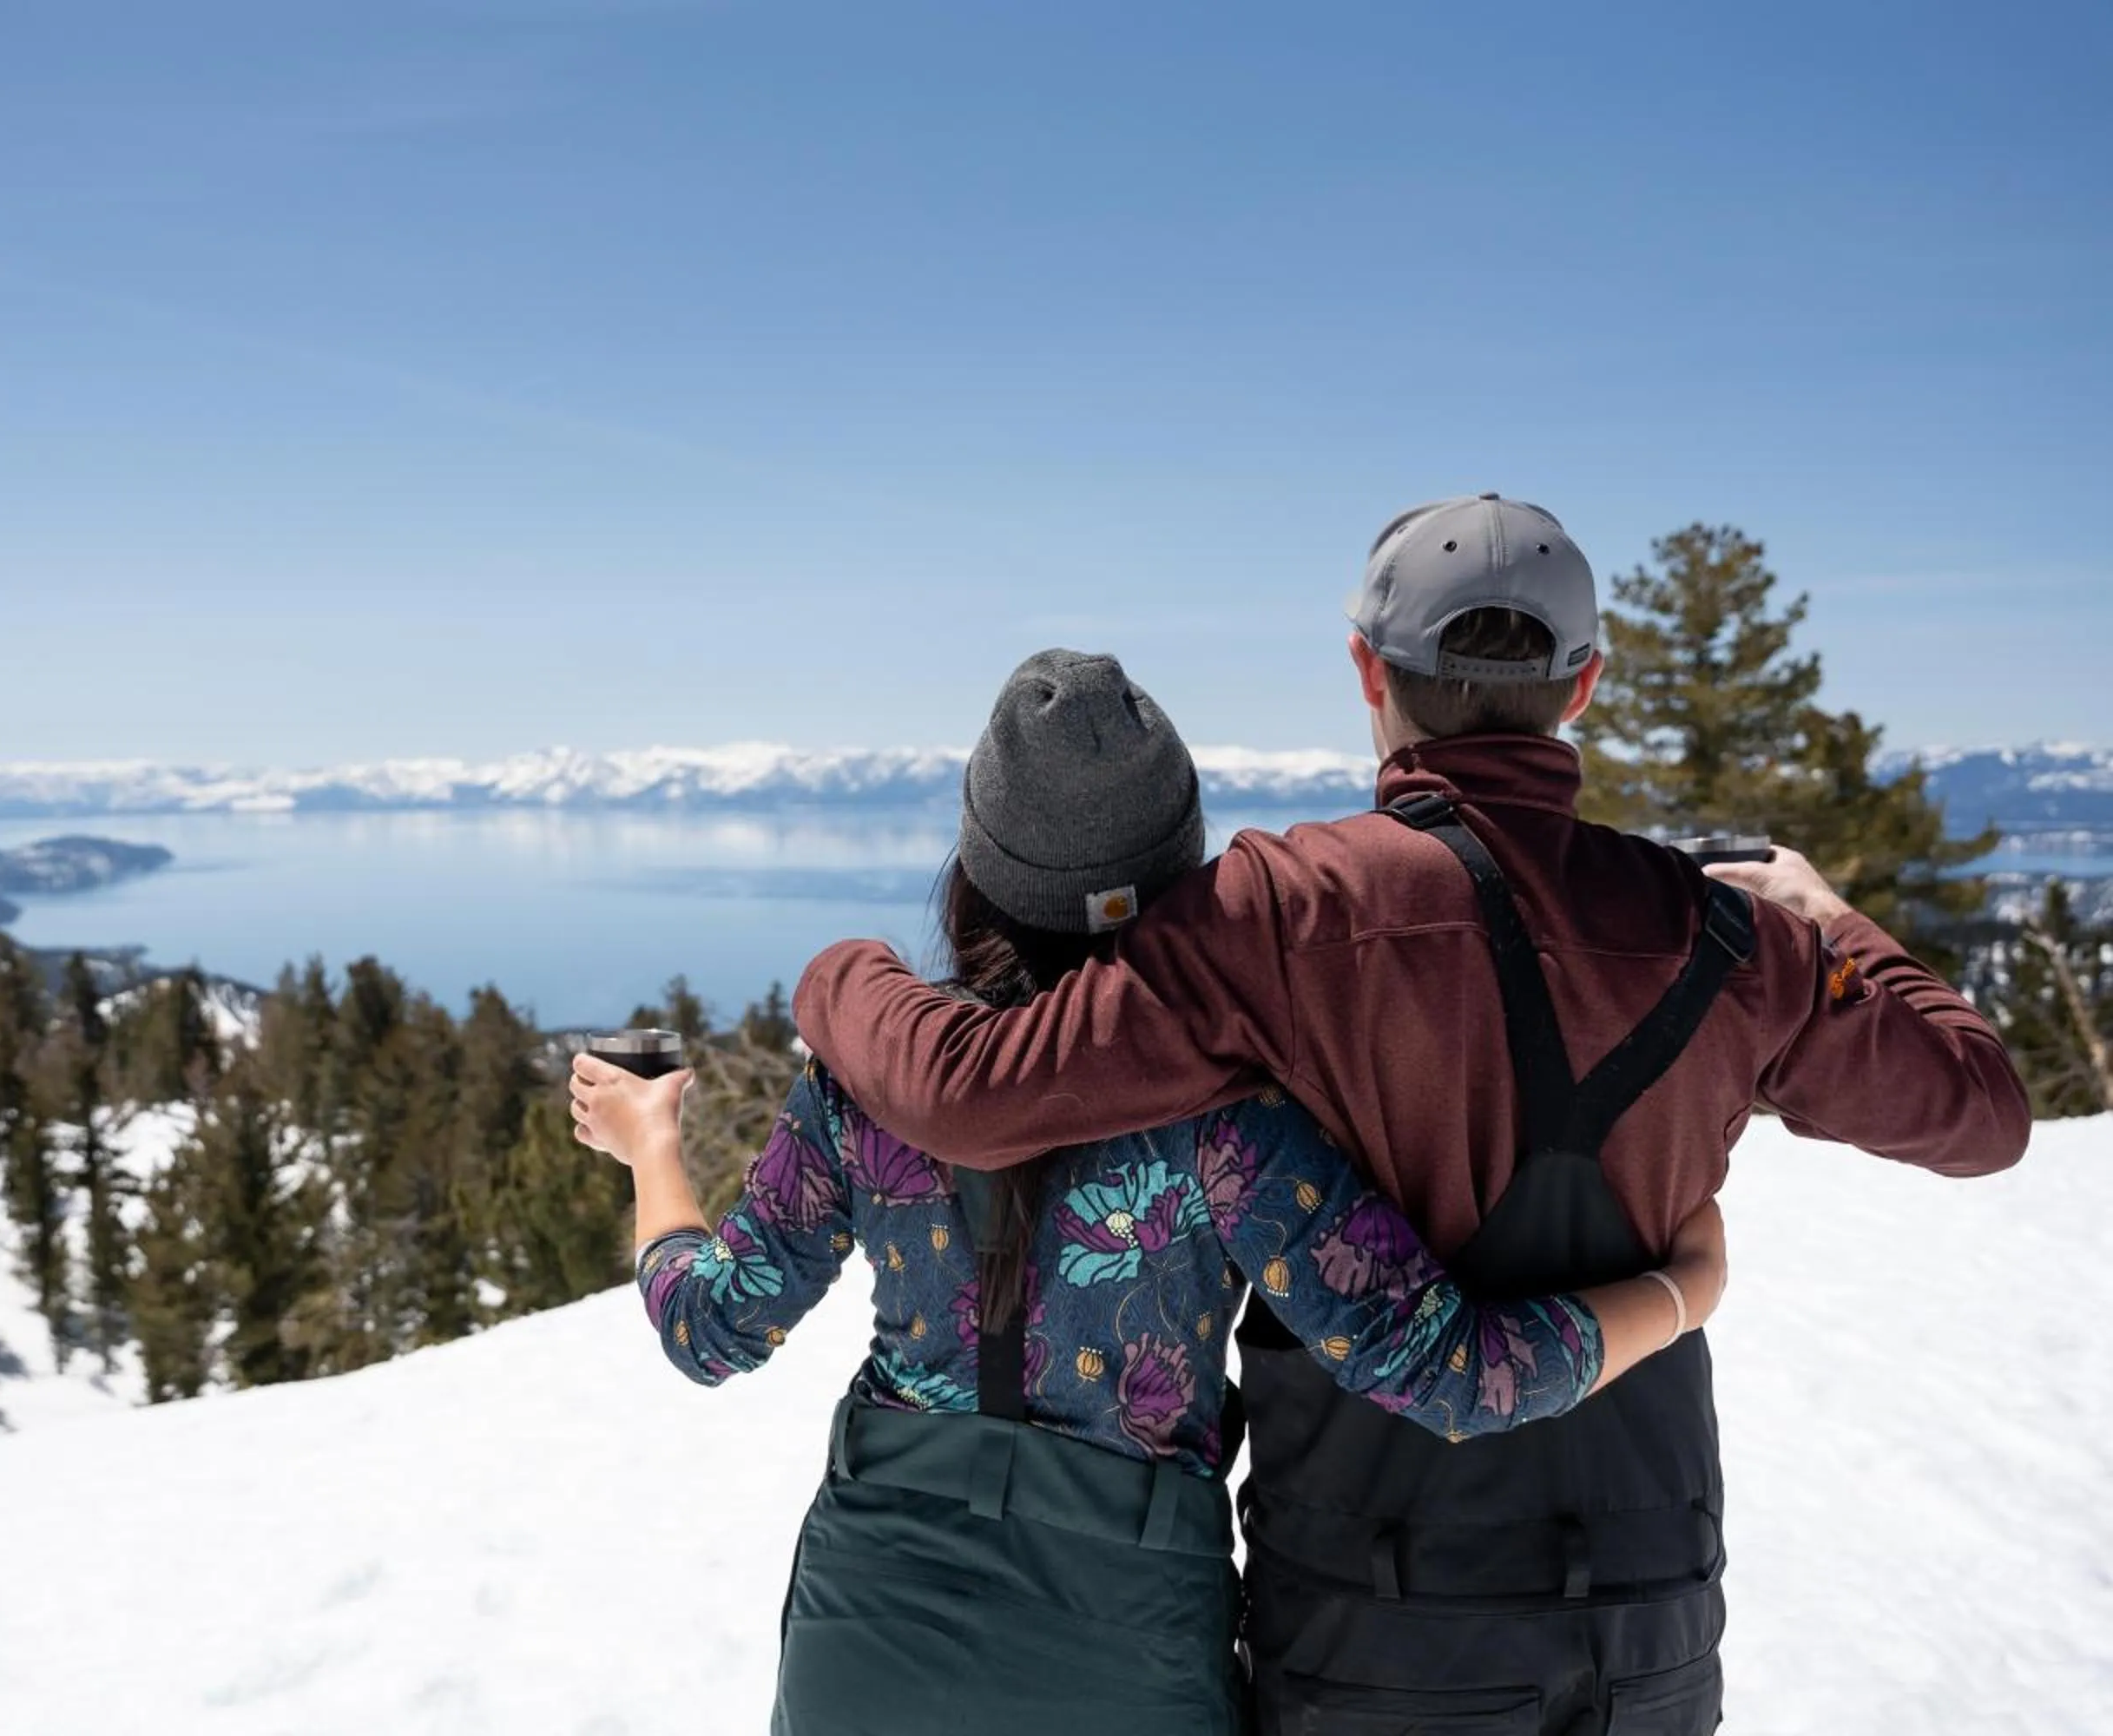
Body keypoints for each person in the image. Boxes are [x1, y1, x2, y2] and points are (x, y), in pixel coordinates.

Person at [791, 496, 2031, 1734]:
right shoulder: (1730, 938)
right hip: (1651, 1589)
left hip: (1372, 1606)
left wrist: (840, 976)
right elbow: (1981, 1112)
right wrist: (1832, 924)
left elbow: (974, 1093)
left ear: (1367, 672)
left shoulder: (1280, 915)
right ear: (1584, 684)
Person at [571, 649, 1731, 1736]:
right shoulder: (1234, 1119)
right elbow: (1460, 1375)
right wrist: (1683, 1291)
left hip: (867, 1616)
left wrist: (651, 1147)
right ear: (1184, 879)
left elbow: (709, 1329)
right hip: (1128, 1635)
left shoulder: (869, 1084)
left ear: (977, 873)